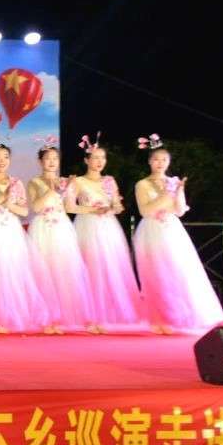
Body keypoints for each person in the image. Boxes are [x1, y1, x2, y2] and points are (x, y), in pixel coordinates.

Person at [133, 137, 223, 333]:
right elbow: (145, 210)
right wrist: (165, 195)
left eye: (164, 160)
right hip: (152, 231)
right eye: (156, 159)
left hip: (172, 230)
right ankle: (158, 319)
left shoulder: (173, 182)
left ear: (169, 162)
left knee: (179, 272)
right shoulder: (142, 184)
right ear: (149, 161)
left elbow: (180, 210)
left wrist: (180, 191)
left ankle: (179, 317)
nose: (160, 163)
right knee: (156, 274)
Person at [67, 137, 144, 328]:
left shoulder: (109, 181)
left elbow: (117, 206)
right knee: (90, 268)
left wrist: (114, 207)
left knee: (110, 267)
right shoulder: (77, 181)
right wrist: (93, 210)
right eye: (95, 157)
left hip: (108, 227)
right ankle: (89, 315)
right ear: (86, 160)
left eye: (102, 157)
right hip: (87, 226)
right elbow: (69, 207)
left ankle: (109, 313)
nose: (99, 161)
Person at [0, 144, 52, 333]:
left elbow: (24, 211)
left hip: (10, 230)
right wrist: (2, 197)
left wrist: (9, 204)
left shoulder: (16, 183)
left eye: (6, 157)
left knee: (11, 272)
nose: (2, 161)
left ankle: (7, 317)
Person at [27, 146, 98, 334]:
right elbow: (36, 207)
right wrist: (53, 191)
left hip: (61, 228)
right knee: (44, 272)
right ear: (40, 161)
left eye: (55, 158)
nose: (52, 162)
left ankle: (67, 318)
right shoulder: (34, 182)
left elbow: (70, 208)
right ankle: (47, 319)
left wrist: (94, 209)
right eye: (48, 158)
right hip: (42, 228)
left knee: (66, 270)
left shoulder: (66, 182)